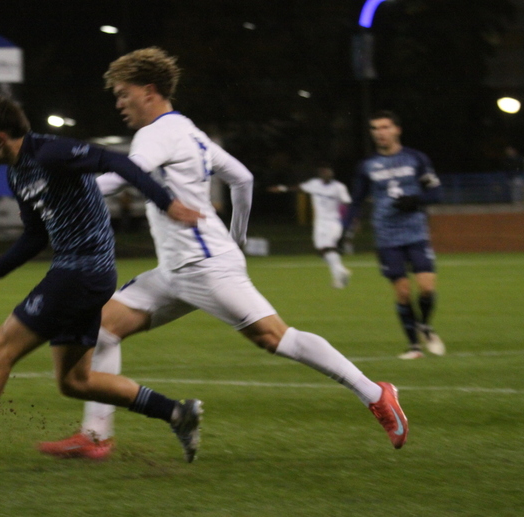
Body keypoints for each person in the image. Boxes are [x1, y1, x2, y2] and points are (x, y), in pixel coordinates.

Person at [37, 47, 409, 460]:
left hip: (203, 266)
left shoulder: (157, 132)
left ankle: (376, 393)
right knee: (101, 328)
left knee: (274, 337)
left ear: (149, 91)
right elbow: (242, 179)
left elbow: (129, 175)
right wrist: (239, 238)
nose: (119, 103)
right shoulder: (191, 133)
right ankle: (95, 436)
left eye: (124, 94)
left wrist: (66, 199)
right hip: (177, 271)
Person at [0, 95, 207, 476]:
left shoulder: (51, 153)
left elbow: (115, 161)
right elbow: (35, 235)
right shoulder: (17, 172)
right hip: (82, 274)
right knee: (75, 381)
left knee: (0, 349)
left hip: (82, 271)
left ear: (0, 137)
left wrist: (166, 202)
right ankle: (177, 412)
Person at [342, 110, 446, 360]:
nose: (380, 133)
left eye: (385, 127)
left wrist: (416, 200)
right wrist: (344, 228)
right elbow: (356, 201)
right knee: (401, 292)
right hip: (387, 235)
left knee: (426, 288)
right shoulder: (367, 166)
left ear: (397, 129)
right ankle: (414, 347)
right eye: (375, 128)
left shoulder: (416, 159)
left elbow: (436, 193)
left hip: (416, 232)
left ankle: (425, 326)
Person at [269, 165, 352, 288]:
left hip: (334, 222)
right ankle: (341, 272)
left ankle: (339, 278)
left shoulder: (339, 187)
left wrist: (348, 221)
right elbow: (299, 188)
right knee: (322, 250)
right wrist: (283, 188)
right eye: (324, 173)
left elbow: (346, 203)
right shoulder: (315, 184)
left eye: (329, 172)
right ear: (320, 175)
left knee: (329, 247)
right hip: (320, 223)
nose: (327, 175)